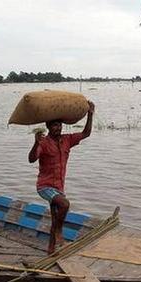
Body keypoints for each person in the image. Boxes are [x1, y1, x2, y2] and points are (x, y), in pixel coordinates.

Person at [28, 101, 95, 254]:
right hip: (45, 186)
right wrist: (35, 143)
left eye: (59, 125)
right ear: (48, 127)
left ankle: (51, 250)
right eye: (54, 125)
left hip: (59, 187)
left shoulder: (67, 140)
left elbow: (86, 133)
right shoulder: (43, 143)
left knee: (55, 217)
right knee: (64, 204)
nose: (57, 128)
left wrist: (90, 114)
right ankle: (59, 232)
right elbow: (31, 159)